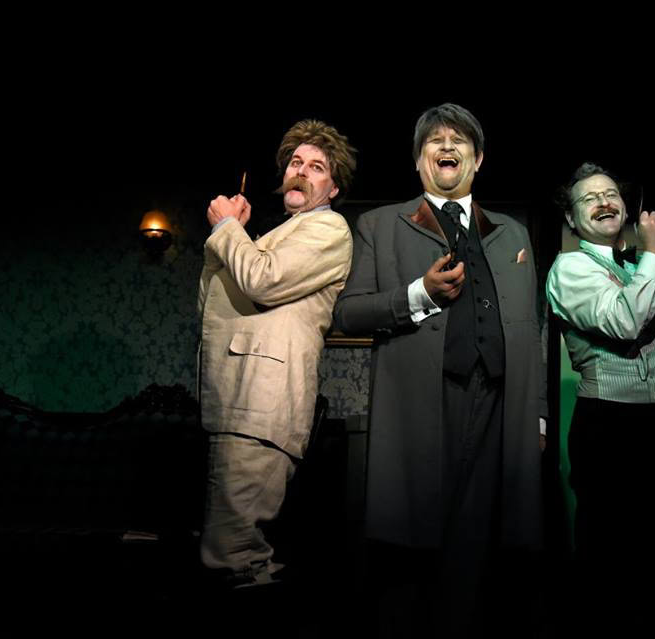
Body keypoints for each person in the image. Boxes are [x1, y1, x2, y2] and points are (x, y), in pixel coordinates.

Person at [333, 103, 545, 636]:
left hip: (500, 403)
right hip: (422, 401)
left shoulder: (514, 234)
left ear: (478, 159)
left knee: (482, 541)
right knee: (412, 543)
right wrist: (419, 293)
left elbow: (532, 327)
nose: (447, 146)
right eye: (435, 140)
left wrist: (538, 413)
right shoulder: (379, 225)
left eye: (459, 140)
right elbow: (348, 313)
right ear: (418, 160)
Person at [546, 162, 655, 635]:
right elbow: (623, 322)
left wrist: (642, 280)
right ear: (572, 219)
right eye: (589, 198)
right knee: (610, 556)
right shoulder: (570, 268)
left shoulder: (642, 264)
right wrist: (654, 260)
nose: (603, 202)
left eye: (611, 194)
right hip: (607, 423)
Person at [198, 119, 356, 587]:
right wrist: (228, 237)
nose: (301, 172)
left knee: (230, 555)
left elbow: (262, 281)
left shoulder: (328, 227)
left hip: (262, 403)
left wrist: (227, 227)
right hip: (239, 401)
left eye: (317, 167)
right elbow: (211, 303)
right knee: (239, 555)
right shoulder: (277, 235)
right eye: (295, 163)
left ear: (333, 189)